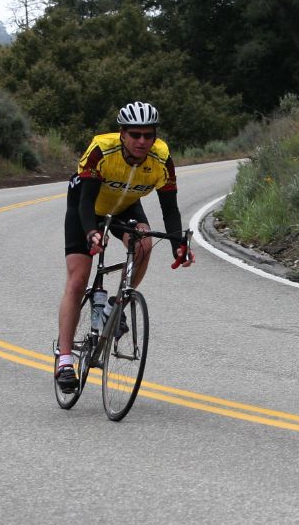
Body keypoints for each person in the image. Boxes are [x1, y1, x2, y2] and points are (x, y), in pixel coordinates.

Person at [55, 101, 195, 393]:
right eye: (135, 134)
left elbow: (170, 209)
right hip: (87, 207)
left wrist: (177, 246)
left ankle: (114, 307)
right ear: (122, 133)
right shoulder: (101, 150)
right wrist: (92, 232)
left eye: (149, 135)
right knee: (79, 277)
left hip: (125, 206)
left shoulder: (161, 157)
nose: (142, 141)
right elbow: (85, 202)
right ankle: (65, 360)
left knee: (144, 242)